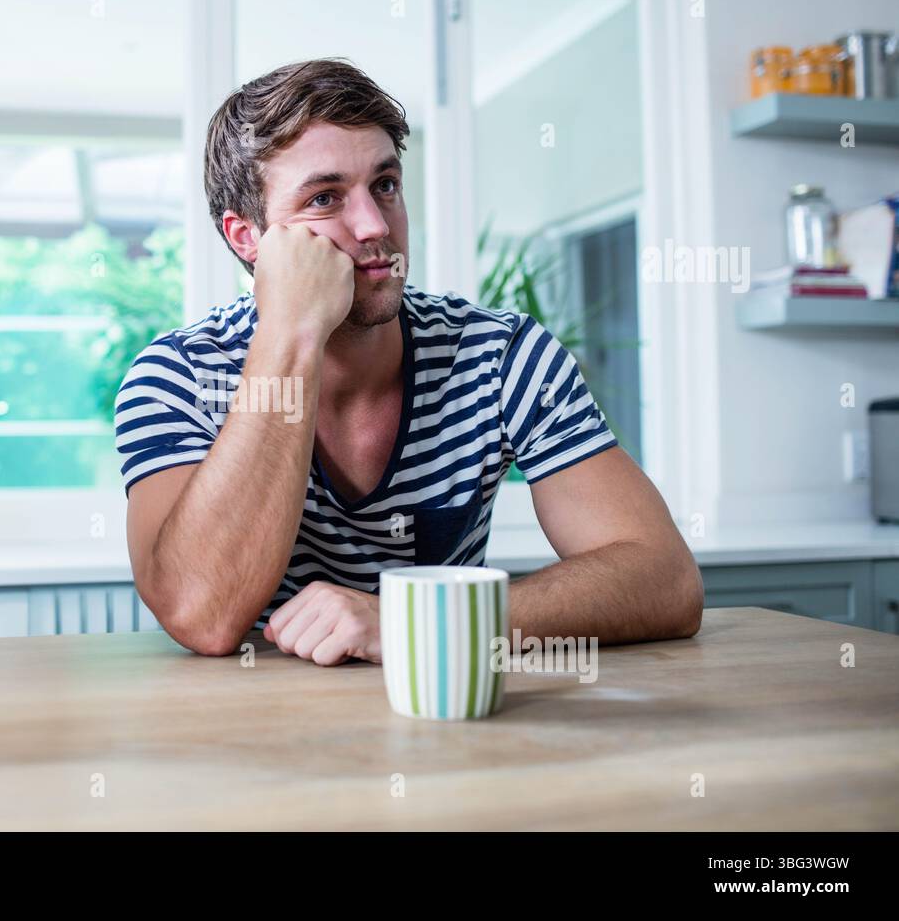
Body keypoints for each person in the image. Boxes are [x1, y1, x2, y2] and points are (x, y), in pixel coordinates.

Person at [114, 59, 702, 666]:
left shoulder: (499, 354)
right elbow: (201, 615)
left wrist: (419, 621)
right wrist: (291, 331)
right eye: (325, 198)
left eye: (385, 185)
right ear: (247, 238)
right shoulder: (178, 376)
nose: (374, 226)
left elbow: (666, 580)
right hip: (255, 737)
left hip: (448, 721)